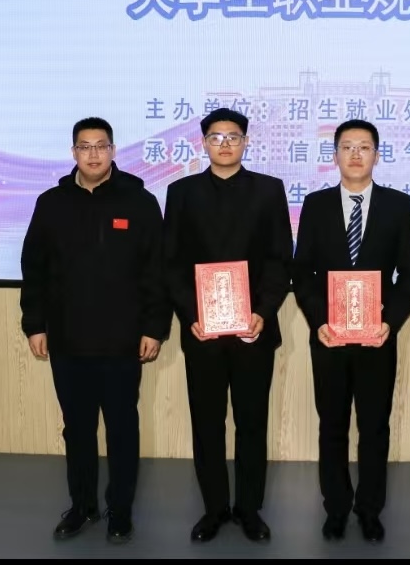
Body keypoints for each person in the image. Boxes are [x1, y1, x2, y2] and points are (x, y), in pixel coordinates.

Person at [18, 117, 170, 544]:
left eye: (101, 146)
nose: (93, 154)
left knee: (122, 429)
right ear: (73, 153)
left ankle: (120, 510)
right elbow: (34, 269)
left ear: (113, 150)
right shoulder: (52, 203)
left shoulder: (139, 201)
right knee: (77, 429)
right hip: (68, 339)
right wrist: (35, 325)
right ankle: (82, 506)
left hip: (123, 341)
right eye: (84, 147)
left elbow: (156, 271)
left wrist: (154, 327)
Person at [162, 108, 293, 543]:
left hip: (253, 330)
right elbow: (172, 263)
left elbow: (280, 259)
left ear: (246, 142)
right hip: (203, 332)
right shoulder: (181, 192)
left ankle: (249, 510)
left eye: (233, 137)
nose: (224, 144)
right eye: (216, 137)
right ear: (203, 143)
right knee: (207, 423)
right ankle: (214, 509)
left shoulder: (269, 190)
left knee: (252, 423)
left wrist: (263, 311)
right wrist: (192, 315)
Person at [290, 119, 410, 543]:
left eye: (364, 147)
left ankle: (369, 509)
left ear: (377, 155)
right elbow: (302, 273)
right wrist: (319, 321)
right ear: (335, 156)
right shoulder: (316, 204)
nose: (356, 154)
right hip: (329, 337)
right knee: (332, 426)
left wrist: (389, 322)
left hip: (376, 338)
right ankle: (336, 508)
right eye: (347, 147)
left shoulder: (398, 205)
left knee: (374, 428)